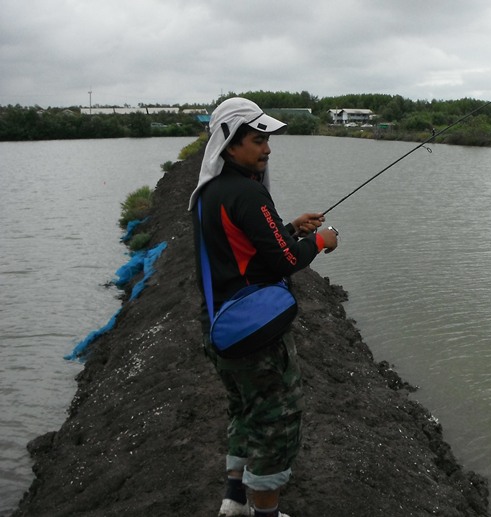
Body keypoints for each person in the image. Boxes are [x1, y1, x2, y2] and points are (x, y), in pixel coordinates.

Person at [188, 97, 339, 517]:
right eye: (258, 140)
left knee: (244, 409)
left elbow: (242, 248)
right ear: (229, 144)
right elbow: (285, 261)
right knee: (277, 420)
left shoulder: (208, 194)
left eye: (267, 140)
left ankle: (234, 502)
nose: (267, 149)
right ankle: (265, 512)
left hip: (218, 322)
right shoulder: (249, 194)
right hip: (253, 332)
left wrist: (290, 228)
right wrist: (321, 241)